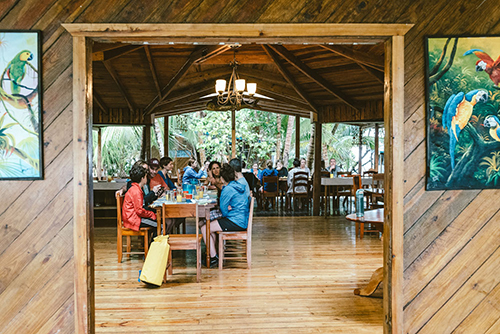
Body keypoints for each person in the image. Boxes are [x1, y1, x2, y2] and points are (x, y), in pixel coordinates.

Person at [200, 163, 250, 267]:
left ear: (222, 178)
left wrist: (227, 210)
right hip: (241, 219)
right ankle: (213, 253)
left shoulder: (227, 189)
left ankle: (213, 258)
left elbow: (223, 211)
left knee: (204, 227)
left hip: (235, 221)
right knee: (209, 225)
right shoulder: (237, 185)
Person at [122, 164, 158, 239]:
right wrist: (151, 214)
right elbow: (139, 211)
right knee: (161, 226)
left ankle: (150, 246)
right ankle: (152, 248)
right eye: (145, 177)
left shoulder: (135, 188)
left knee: (158, 222)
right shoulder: (136, 191)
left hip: (132, 218)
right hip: (134, 219)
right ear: (142, 178)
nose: (146, 179)